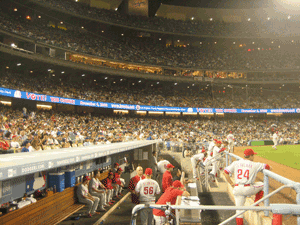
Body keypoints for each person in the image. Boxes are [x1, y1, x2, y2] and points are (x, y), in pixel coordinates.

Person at [223, 149, 271, 225]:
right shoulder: (255, 164)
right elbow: (267, 166)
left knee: (239, 212)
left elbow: (225, 172)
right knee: (264, 185)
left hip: (237, 188)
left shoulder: (236, 163)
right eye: (253, 155)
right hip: (248, 189)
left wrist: (231, 183)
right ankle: (256, 204)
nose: (254, 157)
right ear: (251, 156)